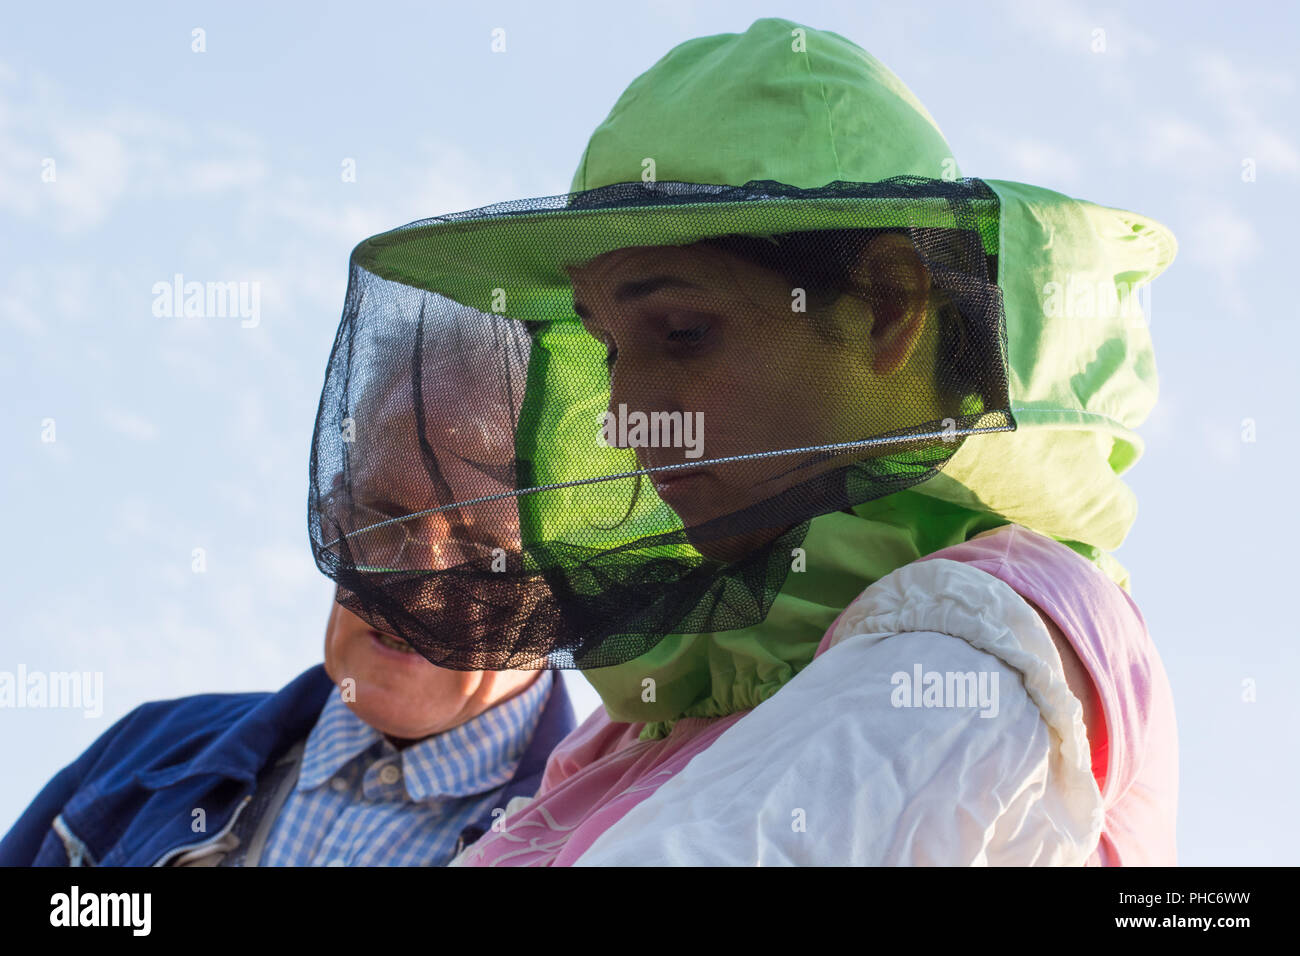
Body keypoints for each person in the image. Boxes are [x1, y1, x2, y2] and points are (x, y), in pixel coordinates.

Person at [310, 17, 1178, 865]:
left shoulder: (982, 643)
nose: (624, 418)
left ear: (886, 307)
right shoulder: (672, 711)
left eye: (682, 332)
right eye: (610, 346)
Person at [0, 321, 576, 867]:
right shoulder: (145, 754)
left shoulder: (606, 837)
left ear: (571, 586)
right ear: (332, 508)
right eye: (381, 517)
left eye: (479, 553)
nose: (412, 591)